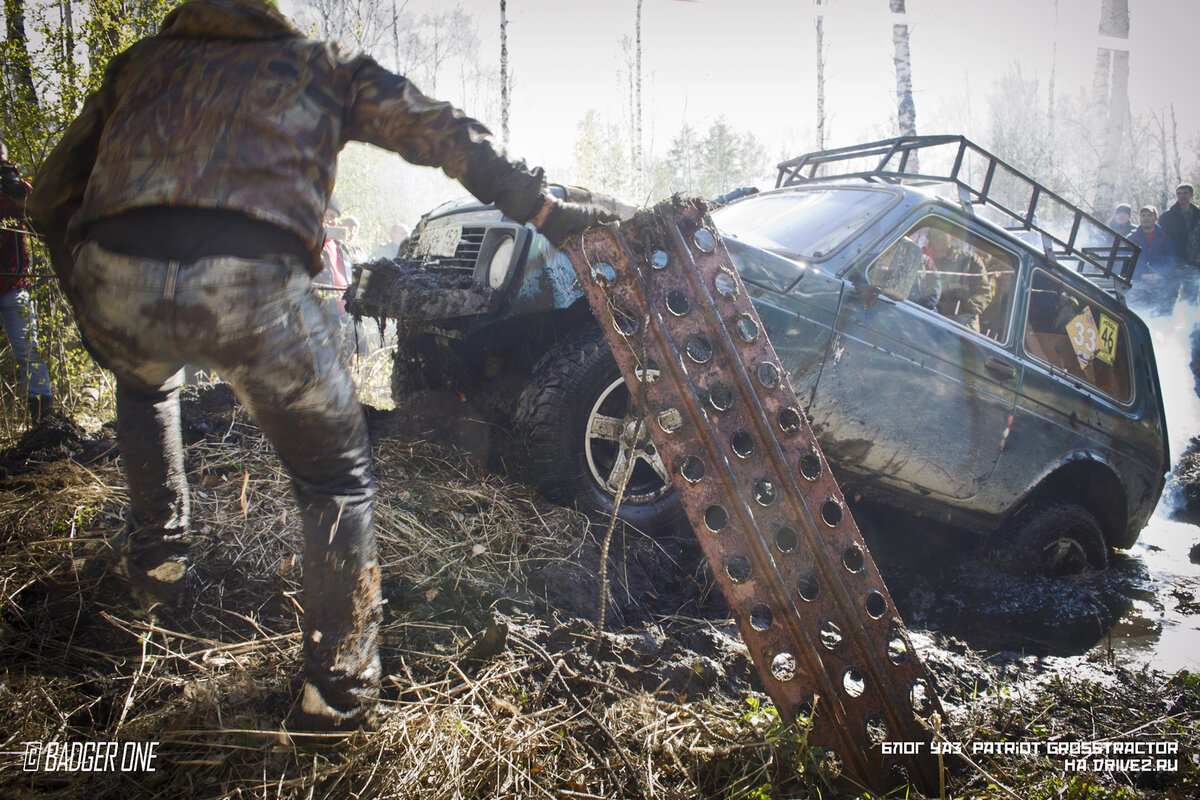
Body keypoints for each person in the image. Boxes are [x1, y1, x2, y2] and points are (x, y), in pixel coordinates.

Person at [29, 0, 614, 733]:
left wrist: (87, 289)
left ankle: (158, 565)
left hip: (116, 278)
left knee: (145, 388)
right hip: (251, 287)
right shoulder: (317, 66)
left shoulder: (137, 69)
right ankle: (335, 694)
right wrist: (542, 209)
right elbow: (436, 131)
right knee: (334, 479)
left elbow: (50, 193)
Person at [0, 140, 55, 423]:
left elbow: (42, 226)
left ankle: (44, 424)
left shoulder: (17, 189)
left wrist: (27, 198)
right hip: (10, 283)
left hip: (12, 286)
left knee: (29, 353)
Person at [926, 227, 993, 331]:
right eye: (934, 235)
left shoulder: (970, 260)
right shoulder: (929, 262)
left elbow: (984, 293)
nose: (938, 238)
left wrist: (962, 308)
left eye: (942, 234)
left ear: (951, 237)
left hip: (963, 328)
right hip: (934, 323)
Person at [1127, 205, 1179, 316]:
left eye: (1150, 215)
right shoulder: (1132, 237)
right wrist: (1141, 275)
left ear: (1156, 217)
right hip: (1137, 285)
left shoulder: (1164, 237)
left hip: (1160, 285)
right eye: (1143, 215)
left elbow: (1171, 260)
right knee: (1138, 314)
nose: (1146, 218)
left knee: (1160, 316)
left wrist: (1160, 274)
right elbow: (1125, 261)